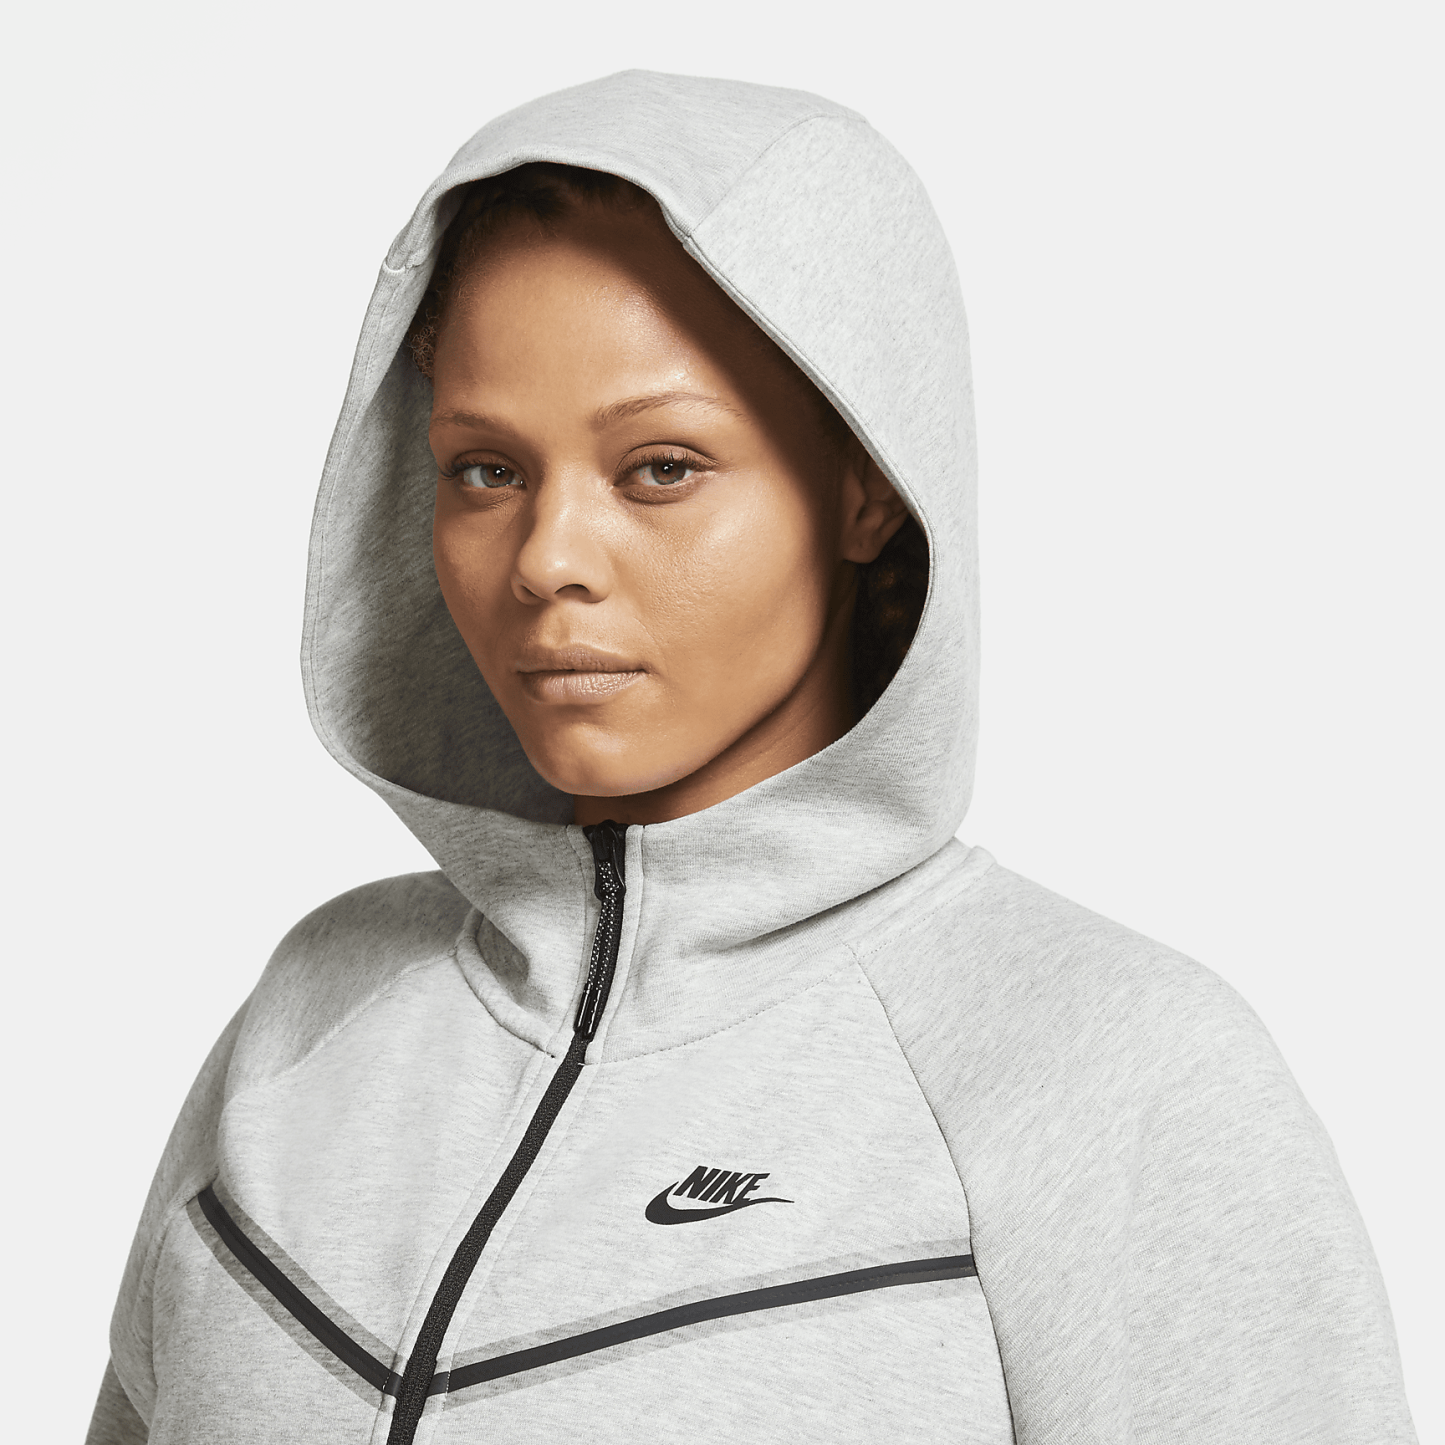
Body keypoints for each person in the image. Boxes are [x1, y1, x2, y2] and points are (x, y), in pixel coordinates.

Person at [87, 71, 1416, 1445]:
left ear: (865, 485)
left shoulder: (1113, 1068)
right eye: (487, 469)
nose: (548, 559)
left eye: (660, 467)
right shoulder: (314, 1016)